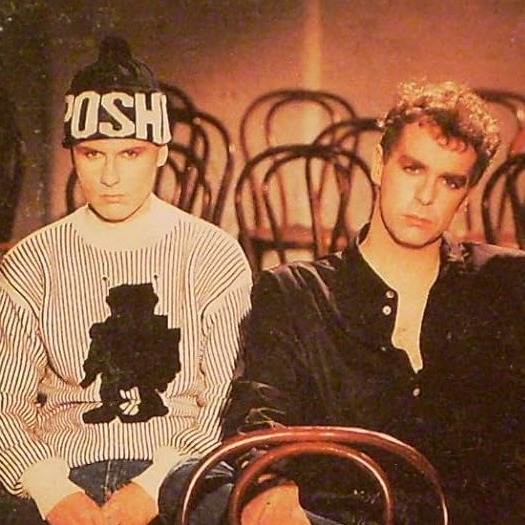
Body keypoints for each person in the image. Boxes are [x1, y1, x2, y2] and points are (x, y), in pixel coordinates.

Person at [221, 80, 525, 525]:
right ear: (380, 165)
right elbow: (259, 415)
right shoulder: (296, 293)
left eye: (450, 181)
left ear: (466, 195)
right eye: (413, 168)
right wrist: (271, 483)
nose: (426, 196)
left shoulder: (504, 283)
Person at [0, 37, 251, 525]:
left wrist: (154, 488)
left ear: (161, 152)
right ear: (73, 154)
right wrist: (54, 494)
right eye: (93, 153)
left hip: (181, 476)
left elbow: (224, 400)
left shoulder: (214, 255)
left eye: (130, 153)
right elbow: (5, 404)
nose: (110, 176)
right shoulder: (33, 259)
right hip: (61, 472)